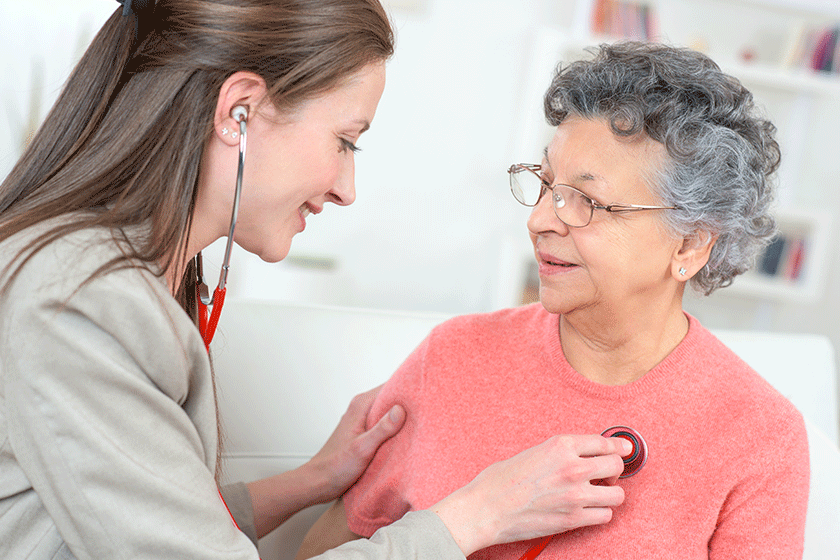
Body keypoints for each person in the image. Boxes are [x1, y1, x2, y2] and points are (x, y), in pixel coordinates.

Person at [0, 2, 633, 559]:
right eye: (345, 140)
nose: (346, 188)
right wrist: (478, 515)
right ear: (239, 111)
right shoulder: (79, 299)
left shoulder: (136, 278)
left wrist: (314, 481)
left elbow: (128, 516)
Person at [296, 42, 810, 560]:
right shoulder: (452, 357)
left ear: (691, 243)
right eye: (545, 185)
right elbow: (323, 551)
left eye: (586, 200)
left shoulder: (762, 436)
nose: (540, 220)